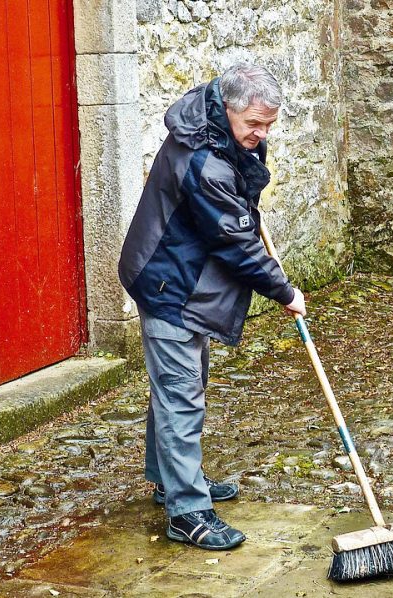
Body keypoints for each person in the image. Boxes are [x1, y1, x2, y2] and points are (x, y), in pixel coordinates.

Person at [118, 63, 306, 550]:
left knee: (182, 386)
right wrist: (284, 291)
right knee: (181, 394)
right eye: (255, 126)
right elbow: (235, 243)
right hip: (170, 284)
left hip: (186, 278)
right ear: (228, 108)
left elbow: (235, 207)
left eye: (269, 125)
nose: (262, 135)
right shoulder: (202, 159)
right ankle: (187, 511)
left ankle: (171, 479)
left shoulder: (219, 132)